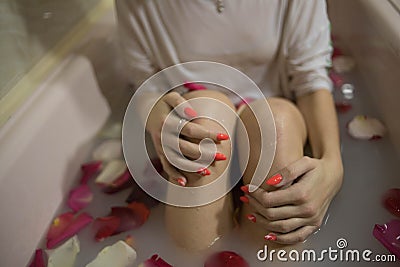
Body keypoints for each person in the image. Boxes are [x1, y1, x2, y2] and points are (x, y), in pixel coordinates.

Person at [116, 0, 344, 250]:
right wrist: (161, 123)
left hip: (272, 118)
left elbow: (311, 79)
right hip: (194, 124)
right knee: (203, 119)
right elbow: (148, 84)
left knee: (274, 123)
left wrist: (332, 164)